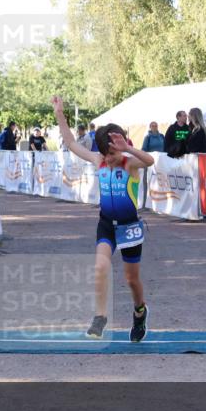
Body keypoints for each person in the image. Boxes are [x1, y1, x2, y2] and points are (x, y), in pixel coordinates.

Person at [52, 94, 155, 343]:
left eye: (111, 153)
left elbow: (150, 161)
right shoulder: (98, 161)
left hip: (130, 227)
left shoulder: (130, 164)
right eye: (105, 154)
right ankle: (100, 317)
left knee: (131, 279)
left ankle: (140, 311)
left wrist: (127, 149)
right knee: (100, 267)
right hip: (107, 224)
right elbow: (72, 144)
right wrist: (59, 114)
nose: (108, 159)